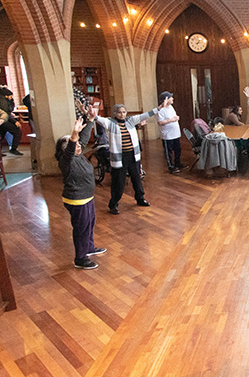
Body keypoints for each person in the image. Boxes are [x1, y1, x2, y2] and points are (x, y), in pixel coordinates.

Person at [94, 97, 172, 214]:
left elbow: (146, 115)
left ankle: (140, 198)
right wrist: (88, 112)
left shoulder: (130, 121)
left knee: (137, 178)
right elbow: (97, 119)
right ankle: (113, 204)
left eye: (124, 112)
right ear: (115, 113)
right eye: (119, 112)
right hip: (119, 157)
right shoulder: (110, 123)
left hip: (132, 156)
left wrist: (160, 107)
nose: (122, 114)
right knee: (118, 182)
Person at [55, 109, 106, 270]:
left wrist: (90, 120)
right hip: (77, 199)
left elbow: (83, 140)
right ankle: (80, 258)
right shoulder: (67, 161)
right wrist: (73, 134)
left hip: (86, 197)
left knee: (89, 223)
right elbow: (72, 147)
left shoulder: (78, 154)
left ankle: (89, 248)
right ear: (65, 149)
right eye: (74, 144)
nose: (78, 146)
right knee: (81, 228)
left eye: (77, 145)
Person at [157, 91, 187, 174]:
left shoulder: (171, 107)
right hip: (167, 135)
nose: (172, 98)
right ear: (166, 99)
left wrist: (176, 117)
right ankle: (171, 166)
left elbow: (173, 116)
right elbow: (160, 122)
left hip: (175, 133)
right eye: (170, 97)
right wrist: (171, 120)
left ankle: (178, 163)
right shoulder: (161, 110)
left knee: (178, 149)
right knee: (168, 152)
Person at [0, 87, 23, 155]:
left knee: (1, 135)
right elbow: (6, 113)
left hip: (3, 120)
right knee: (17, 131)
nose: (11, 97)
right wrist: (14, 121)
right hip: (4, 121)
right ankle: (14, 149)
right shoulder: (3, 102)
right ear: (6, 96)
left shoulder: (4, 100)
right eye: (10, 96)